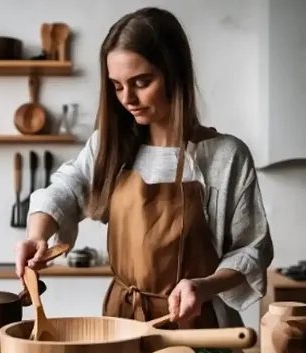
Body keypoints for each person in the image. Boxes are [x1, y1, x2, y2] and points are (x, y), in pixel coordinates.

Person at [15, 7, 273, 329]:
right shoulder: (109, 146)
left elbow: (251, 249)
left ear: (174, 73)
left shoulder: (224, 156)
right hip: (121, 323)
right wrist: (38, 235)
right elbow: (67, 187)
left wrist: (203, 286)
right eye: (117, 85)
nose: (128, 99)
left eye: (141, 82)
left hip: (197, 325)